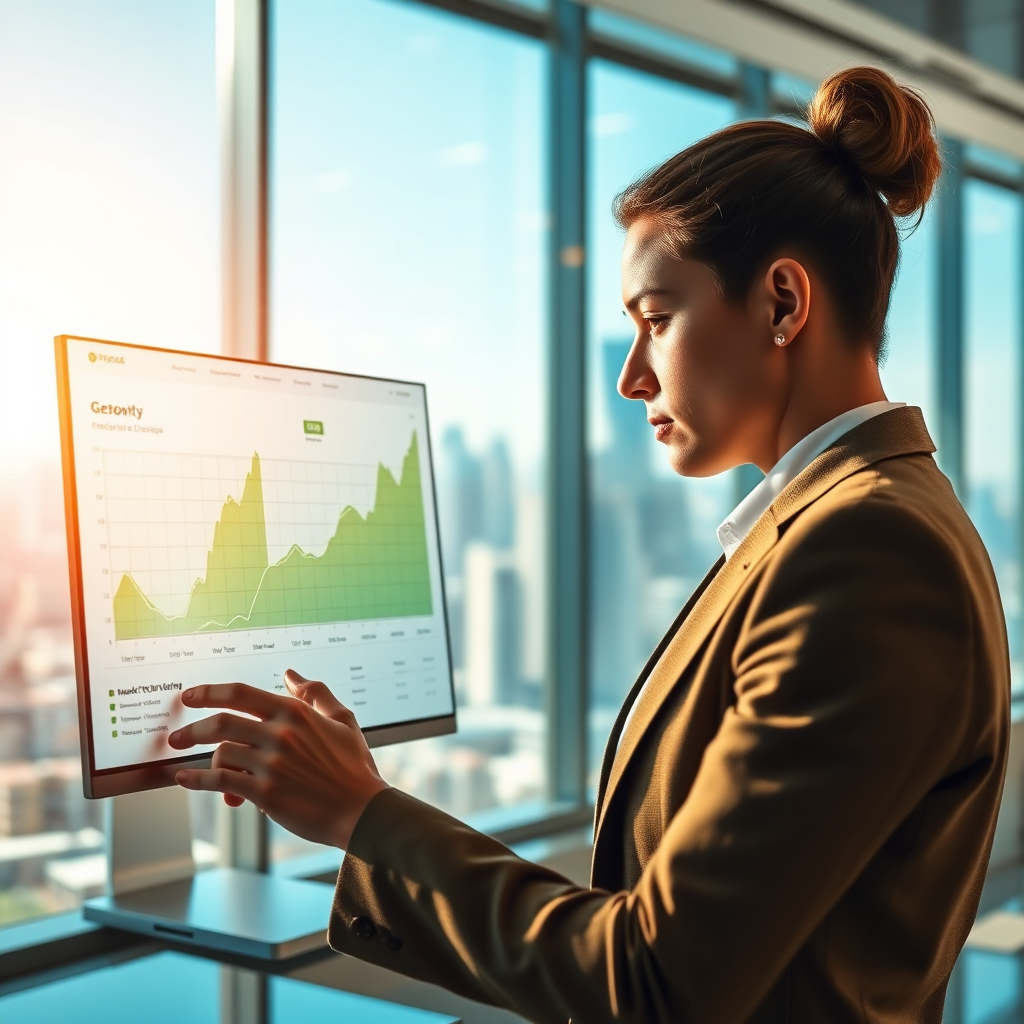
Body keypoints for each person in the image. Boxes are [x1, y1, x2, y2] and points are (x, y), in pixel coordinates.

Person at [168, 65, 1010, 1023]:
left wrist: (363, 815)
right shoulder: (832, 523)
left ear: (782, 303)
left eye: (656, 319)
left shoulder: (869, 551)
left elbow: (659, 980)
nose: (630, 378)